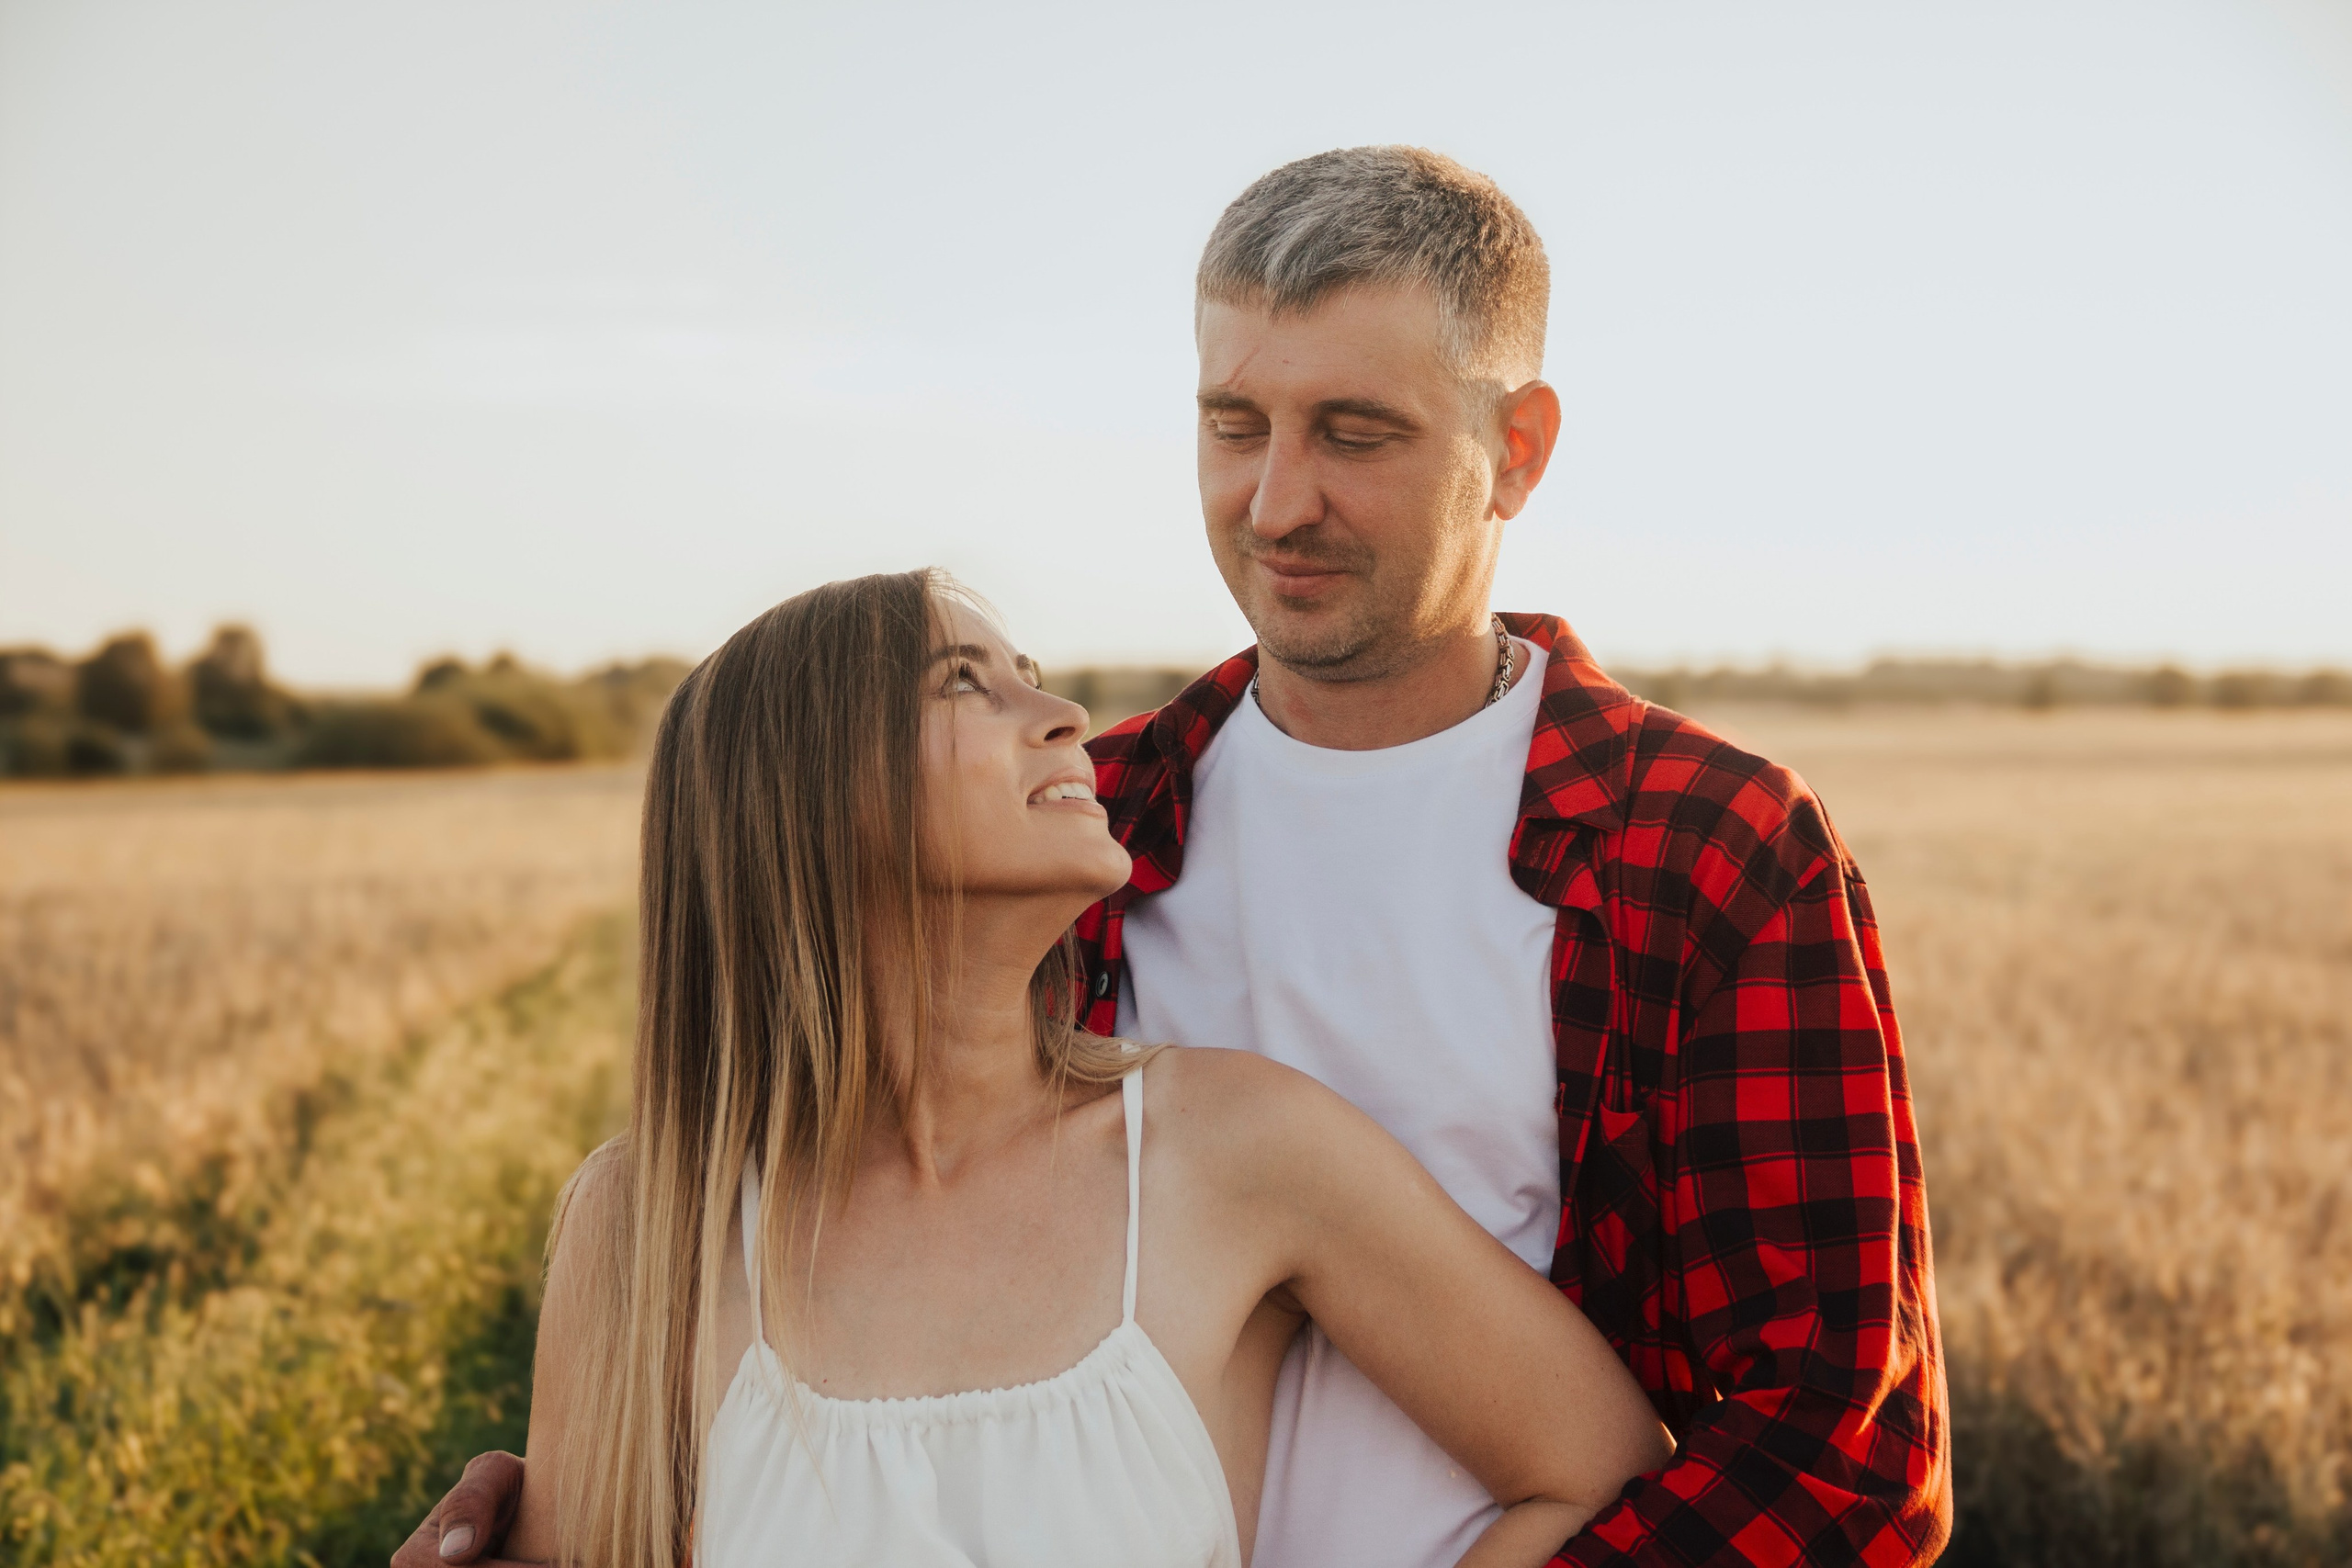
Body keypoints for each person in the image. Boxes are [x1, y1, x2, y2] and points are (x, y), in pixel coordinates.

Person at [398, 147, 1950, 1568]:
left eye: (1356, 432)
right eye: (1233, 424)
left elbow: (1845, 1452)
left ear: (1517, 448)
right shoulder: (1098, 823)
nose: (1276, 501)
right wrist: (571, 1496)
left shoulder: (1705, 846)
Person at [492, 571, 1669, 1567]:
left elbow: (1595, 1469)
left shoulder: (1237, 1148)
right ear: (802, 796)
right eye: (965, 682)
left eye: (1030, 671)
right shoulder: (648, 1227)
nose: (1060, 713)